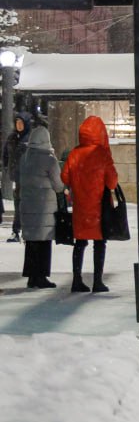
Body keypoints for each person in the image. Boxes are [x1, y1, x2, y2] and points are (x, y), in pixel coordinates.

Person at [61, 115, 119, 293]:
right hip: (99, 207)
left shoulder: (74, 153)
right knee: (99, 243)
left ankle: (77, 279)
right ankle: (97, 281)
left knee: (80, 242)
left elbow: (65, 177)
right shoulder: (102, 154)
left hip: (81, 206)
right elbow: (112, 182)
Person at [18, 122, 63, 289]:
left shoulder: (25, 158)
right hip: (44, 208)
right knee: (44, 243)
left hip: (28, 206)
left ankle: (31, 276)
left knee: (31, 243)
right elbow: (58, 185)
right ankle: (41, 276)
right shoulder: (49, 160)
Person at [4, 112, 31, 242]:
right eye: (17, 123)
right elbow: (6, 153)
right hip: (17, 176)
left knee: (24, 205)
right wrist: (7, 165)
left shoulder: (29, 138)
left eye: (21, 123)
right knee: (18, 204)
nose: (19, 125)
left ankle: (22, 230)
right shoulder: (12, 138)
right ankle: (17, 230)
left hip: (28, 178)